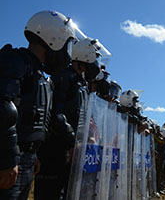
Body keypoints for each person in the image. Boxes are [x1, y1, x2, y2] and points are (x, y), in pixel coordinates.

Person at [0, 10, 79, 199]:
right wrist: (7, 159)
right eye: (66, 45)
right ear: (55, 39)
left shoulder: (41, 76)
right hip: (8, 157)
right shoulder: (16, 61)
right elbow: (3, 108)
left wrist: (33, 154)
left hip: (25, 158)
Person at [34, 37, 104, 199]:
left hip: (71, 150)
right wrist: (73, 142)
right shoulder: (64, 77)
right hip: (55, 150)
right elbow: (56, 115)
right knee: (50, 193)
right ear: (85, 57)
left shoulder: (81, 84)